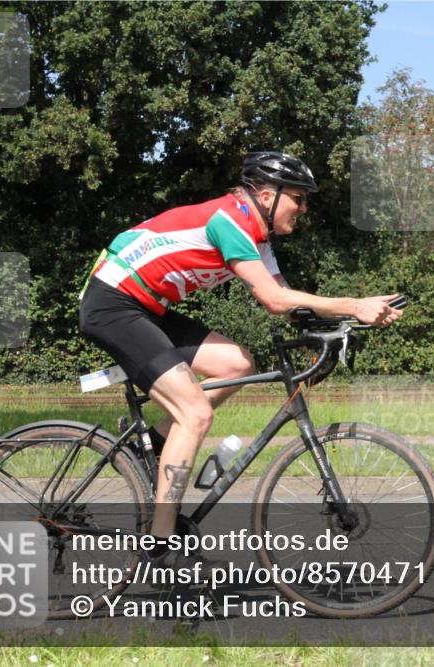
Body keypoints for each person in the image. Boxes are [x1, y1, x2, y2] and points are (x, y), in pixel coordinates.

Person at [79, 151, 401, 558]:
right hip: (113, 305)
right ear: (267, 196)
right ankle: (160, 540)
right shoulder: (228, 220)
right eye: (298, 199)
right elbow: (273, 298)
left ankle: (155, 442)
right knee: (195, 413)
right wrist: (354, 304)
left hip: (148, 307)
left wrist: (333, 330)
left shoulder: (257, 238)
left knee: (237, 363)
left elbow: (289, 303)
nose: (303, 209)